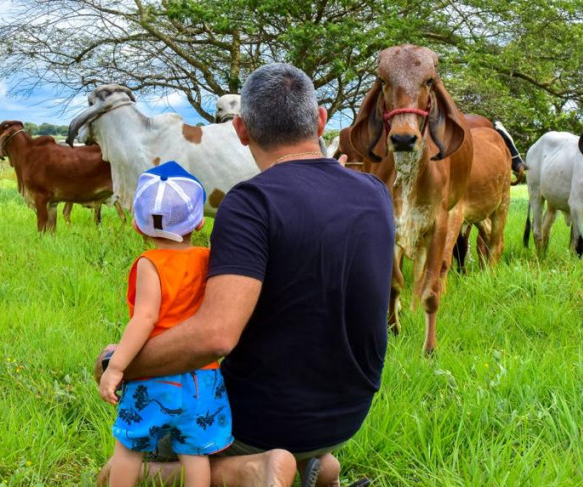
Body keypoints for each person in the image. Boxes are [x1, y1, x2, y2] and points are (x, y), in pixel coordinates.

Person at [96, 63, 395, 487]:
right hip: (348, 414)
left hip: (263, 420)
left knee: (118, 471)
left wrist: (122, 366)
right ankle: (314, 466)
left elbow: (215, 335)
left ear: (240, 129)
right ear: (321, 119)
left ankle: (252, 469)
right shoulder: (375, 193)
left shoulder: (251, 202)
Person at [98, 161, 233, 487]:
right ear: (199, 222)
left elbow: (145, 319)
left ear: (137, 226)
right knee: (195, 453)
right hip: (203, 375)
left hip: (154, 377)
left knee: (130, 446)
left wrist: (116, 368)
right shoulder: (206, 258)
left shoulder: (150, 264)